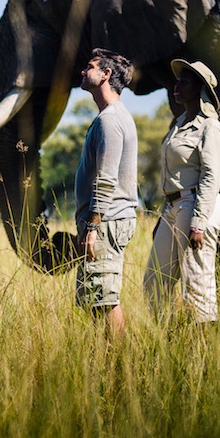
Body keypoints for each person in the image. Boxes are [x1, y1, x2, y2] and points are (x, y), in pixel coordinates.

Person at [143, 59, 220, 323]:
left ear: (200, 90)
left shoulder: (210, 127)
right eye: (176, 81)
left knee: (196, 286)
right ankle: (172, 342)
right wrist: (164, 214)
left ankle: (205, 355)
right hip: (173, 207)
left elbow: (211, 175)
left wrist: (199, 223)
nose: (176, 85)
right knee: (154, 282)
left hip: (197, 205)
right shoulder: (179, 123)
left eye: (184, 82)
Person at [75, 48, 138, 338]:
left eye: (89, 67)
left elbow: (106, 178)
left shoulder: (109, 120)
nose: (83, 71)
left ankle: (121, 368)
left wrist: (92, 226)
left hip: (107, 221)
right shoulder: (110, 117)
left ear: (106, 75)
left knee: (103, 300)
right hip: (106, 220)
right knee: (97, 297)